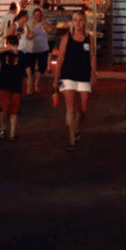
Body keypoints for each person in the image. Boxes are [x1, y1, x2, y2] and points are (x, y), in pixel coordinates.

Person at [54, 9, 96, 149]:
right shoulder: (66, 37)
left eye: (81, 20)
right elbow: (60, 58)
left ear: (85, 22)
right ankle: (71, 138)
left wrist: (94, 74)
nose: (78, 23)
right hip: (68, 75)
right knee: (70, 108)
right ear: (73, 22)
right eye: (76, 20)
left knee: (83, 110)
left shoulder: (89, 39)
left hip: (83, 76)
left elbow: (92, 57)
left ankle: (77, 126)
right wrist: (56, 77)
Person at [0, 34, 25, 139]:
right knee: (3, 109)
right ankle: (2, 128)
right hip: (3, 85)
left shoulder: (21, 55)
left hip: (16, 86)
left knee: (14, 111)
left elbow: (26, 67)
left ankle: (12, 132)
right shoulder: (4, 53)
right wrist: (8, 48)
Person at [24, 7, 51, 95]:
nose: (37, 17)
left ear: (41, 16)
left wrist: (43, 21)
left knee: (42, 67)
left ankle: (36, 84)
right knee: (30, 69)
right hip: (31, 50)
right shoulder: (29, 23)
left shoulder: (45, 22)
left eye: (39, 15)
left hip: (43, 49)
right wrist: (32, 28)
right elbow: (28, 36)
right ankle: (29, 87)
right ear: (33, 16)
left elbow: (50, 30)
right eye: (35, 15)